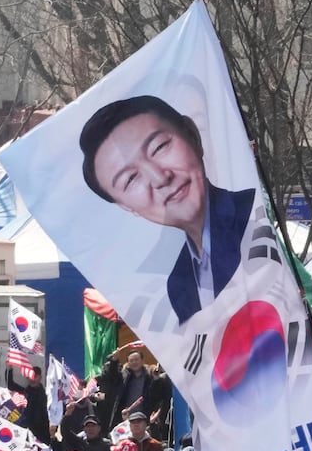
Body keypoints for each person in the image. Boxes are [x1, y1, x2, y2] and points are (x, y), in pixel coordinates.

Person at [79, 95, 262, 325]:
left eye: (160, 147)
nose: (159, 178)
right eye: (131, 179)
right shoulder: (178, 283)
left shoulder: (257, 223)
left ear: (192, 135)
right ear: (126, 206)